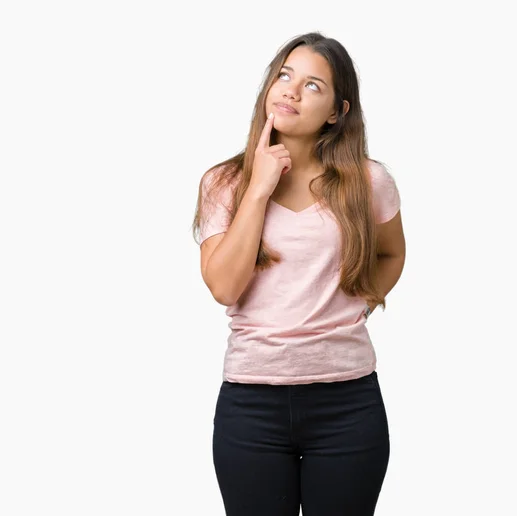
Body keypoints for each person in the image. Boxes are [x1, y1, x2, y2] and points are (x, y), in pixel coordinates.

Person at [192, 31, 406, 516]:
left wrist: (357, 301)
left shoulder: (368, 182)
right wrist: (259, 188)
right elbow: (224, 286)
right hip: (251, 406)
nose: (290, 90)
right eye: (285, 76)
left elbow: (391, 255)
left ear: (337, 111)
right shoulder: (224, 183)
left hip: (347, 405)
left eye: (313, 85)